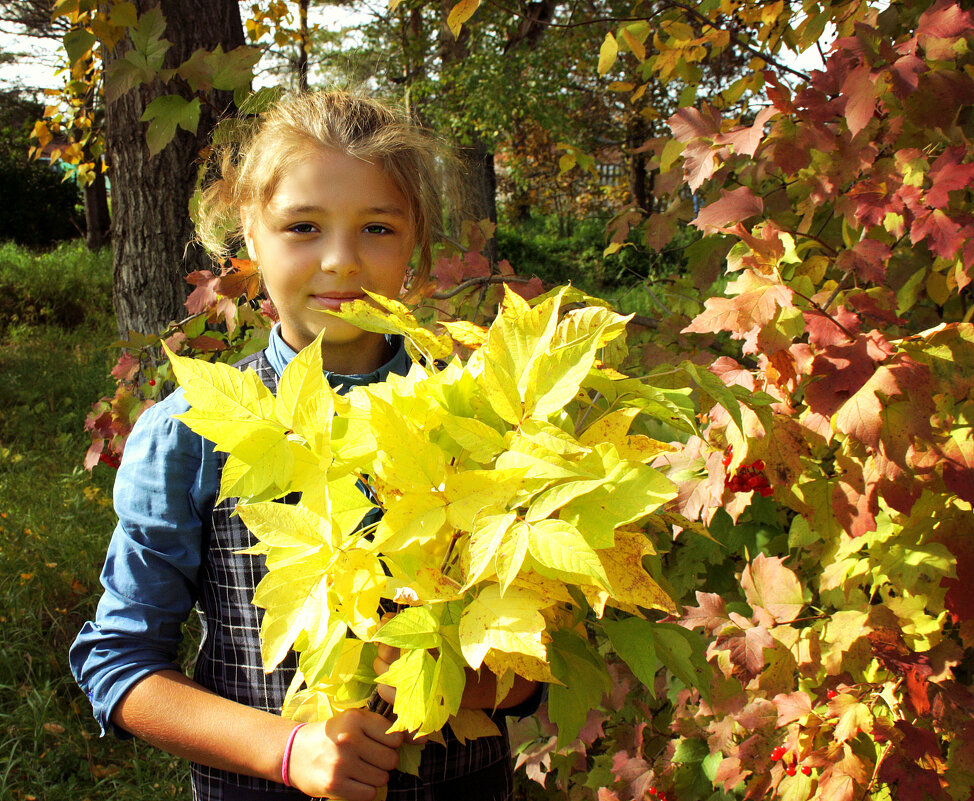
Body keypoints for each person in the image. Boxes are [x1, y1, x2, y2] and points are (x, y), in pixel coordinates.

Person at [70, 91, 538, 801]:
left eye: (377, 227)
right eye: (303, 227)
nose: (341, 261)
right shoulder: (190, 431)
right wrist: (286, 749)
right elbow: (119, 662)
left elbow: (532, 662)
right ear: (250, 236)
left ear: (415, 241)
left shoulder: (481, 414)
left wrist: (470, 675)